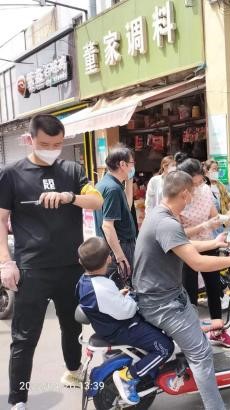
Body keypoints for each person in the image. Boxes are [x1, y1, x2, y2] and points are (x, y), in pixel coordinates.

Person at [0, 114, 103, 410]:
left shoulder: (72, 170)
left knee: (72, 326)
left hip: (70, 266)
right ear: (30, 139)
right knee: (25, 337)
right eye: (45, 144)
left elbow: (96, 200)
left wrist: (70, 197)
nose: (51, 150)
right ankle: (18, 400)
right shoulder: (11, 174)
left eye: (57, 144)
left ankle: (73, 370)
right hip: (32, 268)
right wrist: (6, 262)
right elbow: (1, 220)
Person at [132, 170, 230, 410]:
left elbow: (182, 244)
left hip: (164, 297)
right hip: (162, 304)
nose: (193, 199)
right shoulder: (167, 222)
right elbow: (197, 263)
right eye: (193, 194)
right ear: (185, 194)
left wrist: (214, 243)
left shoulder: (159, 214)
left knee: (199, 337)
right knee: (201, 353)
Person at [76, 237, 174, 406]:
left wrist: (117, 296)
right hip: (124, 328)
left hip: (107, 324)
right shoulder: (102, 288)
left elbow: (103, 302)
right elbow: (127, 311)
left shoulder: (83, 282)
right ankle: (128, 377)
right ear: (108, 259)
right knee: (165, 348)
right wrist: (131, 299)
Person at [177, 155, 230, 348]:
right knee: (189, 292)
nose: (197, 186)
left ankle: (218, 332)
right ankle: (191, 336)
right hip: (188, 249)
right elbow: (177, 233)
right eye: (194, 184)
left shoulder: (205, 190)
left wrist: (229, 217)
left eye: (200, 181)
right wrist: (203, 226)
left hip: (210, 244)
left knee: (214, 288)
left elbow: (215, 217)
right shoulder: (178, 197)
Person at [94, 145, 137, 288]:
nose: (133, 167)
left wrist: (129, 182)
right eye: (132, 163)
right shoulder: (113, 189)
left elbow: (127, 207)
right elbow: (107, 226)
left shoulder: (106, 184)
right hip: (120, 246)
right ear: (122, 164)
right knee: (125, 289)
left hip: (113, 246)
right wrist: (120, 256)